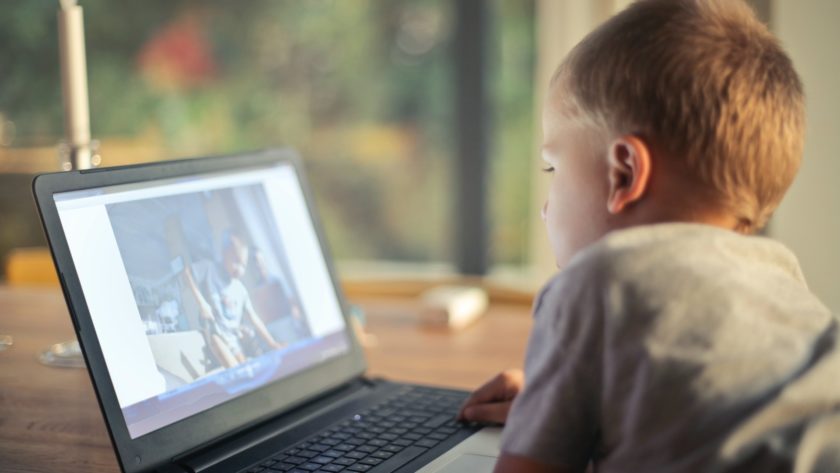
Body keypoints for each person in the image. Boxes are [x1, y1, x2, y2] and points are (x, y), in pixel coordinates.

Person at [458, 1, 840, 472]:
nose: (544, 206)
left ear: (624, 174)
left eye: (552, 167)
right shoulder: (786, 284)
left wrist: (535, 437)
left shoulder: (598, 282)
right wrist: (560, 407)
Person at [183, 230, 284, 368]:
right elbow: (187, 273)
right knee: (234, 368)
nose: (240, 269)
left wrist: (272, 343)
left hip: (234, 339)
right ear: (225, 253)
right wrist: (202, 304)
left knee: (247, 368)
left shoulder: (240, 289)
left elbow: (254, 318)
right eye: (236, 261)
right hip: (216, 333)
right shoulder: (209, 268)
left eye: (243, 265)